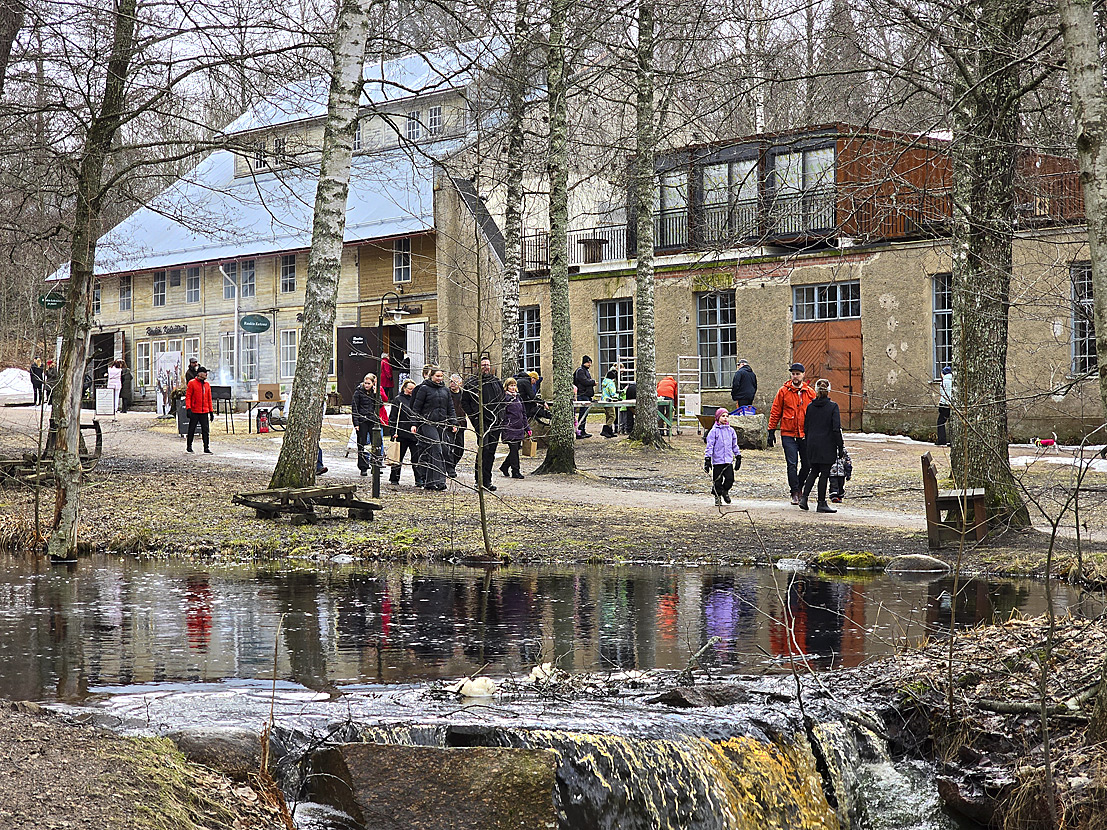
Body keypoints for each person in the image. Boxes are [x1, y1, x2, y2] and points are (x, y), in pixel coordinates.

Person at [767, 362, 817, 505]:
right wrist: (771, 430)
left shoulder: (810, 392)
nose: (795, 376)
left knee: (807, 464)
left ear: (803, 375)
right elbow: (776, 411)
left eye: (798, 374)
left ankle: (800, 486)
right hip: (788, 433)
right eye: (793, 374)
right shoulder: (783, 391)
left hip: (804, 434)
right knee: (792, 463)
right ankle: (794, 492)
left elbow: (816, 412)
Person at [799, 378, 845, 513]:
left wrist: (808, 442)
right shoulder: (833, 407)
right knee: (824, 474)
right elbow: (836, 429)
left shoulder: (810, 406)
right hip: (827, 444)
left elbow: (806, 427)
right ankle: (821, 503)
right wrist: (840, 446)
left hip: (812, 444)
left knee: (813, 471)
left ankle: (804, 498)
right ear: (829, 390)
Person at [462, 356, 505, 491]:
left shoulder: (496, 381)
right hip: (481, 422)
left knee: (491, 452)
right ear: (477, 366)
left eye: (487, 365)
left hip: (496, 422)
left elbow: (503, 400)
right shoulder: (472, 383)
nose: (486, 367)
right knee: (483, 450)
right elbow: (465, 402)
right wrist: (474, 418)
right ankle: (478, 480)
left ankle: (488, 480)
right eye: (483, 365)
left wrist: (501, 416)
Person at [410, 366, 455, 491]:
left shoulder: (445, 390)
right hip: (427, 423)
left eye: (441, 376)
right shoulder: (424, 389)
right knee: (436, 448)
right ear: (431, 376)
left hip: (441, 424)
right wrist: (414, 424)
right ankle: (439, 481)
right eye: (437, 376)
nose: (439, 378)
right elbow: (416, 408)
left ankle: (430, 482)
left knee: (440, 450)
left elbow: (450, 408)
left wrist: (453, 422)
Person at [704, 408, 741, 507]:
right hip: (717, 460)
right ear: (718, 417)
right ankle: (717, 496)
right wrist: (707, 459)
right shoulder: (713, 431)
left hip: (728, 460)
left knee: (730, 479)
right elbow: (710, 446)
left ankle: (725, 491)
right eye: (723, 416)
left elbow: (734, 445)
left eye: (727, 416)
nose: (725, 418)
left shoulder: (731, 431)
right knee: (717, 480)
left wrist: (738, 456)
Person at [388, 379, 423, 486]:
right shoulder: (398, 400)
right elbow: (393, 417)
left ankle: (419, 479)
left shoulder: (417, 400)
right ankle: (394, 478)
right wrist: (393, 431)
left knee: (416, 458)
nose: (411, 391)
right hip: (401, 433)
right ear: (404, 388)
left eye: (413, 389)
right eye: (409, 389)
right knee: (398, 457)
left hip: (414, 434)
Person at [352, 373, 380, 477]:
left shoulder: (374, 392)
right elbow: (355, 408)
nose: (367, 385)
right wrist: (356, 423)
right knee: (362, 443)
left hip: (372, 420)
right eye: (365, 383)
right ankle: (363, 466)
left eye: (369, 383)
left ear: (373, 384)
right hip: (362, 420)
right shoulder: (358, 392)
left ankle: (375, 464)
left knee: (375, 443)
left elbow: (380, 405)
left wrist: (376, 394)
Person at [500, 377, 529, 479]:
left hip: (519, 427)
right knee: (514, 450)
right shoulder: (505, 398)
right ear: (506, 387)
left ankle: (504, 466)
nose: (512, 387)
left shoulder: (518, 398)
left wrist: (527, 428)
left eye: (514, 385)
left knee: (515, 449)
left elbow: (523, 413)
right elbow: (502, 414)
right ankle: (515, 471)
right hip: (509, 428)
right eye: (510, 385)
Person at [185, 366, 214, 453]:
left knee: (205, 430)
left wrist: (211, 411)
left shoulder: (207, 385)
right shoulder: (192, 383)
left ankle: (206, 447)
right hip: (194, 410)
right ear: (200, 374)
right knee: (192, 429)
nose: (206, 374)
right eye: (205, 373)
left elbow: (209, 399)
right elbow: (188, 396)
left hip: (204, 411)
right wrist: (188, 408)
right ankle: (189, 446)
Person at [446, 374, 466, 478]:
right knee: (449, 447)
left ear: (460, 383)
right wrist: (451, 423)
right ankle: (449, 468)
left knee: (460, 448)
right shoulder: (447, 394)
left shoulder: (463, 395)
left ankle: (452, 465)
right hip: (449, 424)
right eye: (451, 382)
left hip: (461, 424)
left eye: (455, 381)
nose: (452, 384)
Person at [573, 356, 596, 438]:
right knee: (582, 413)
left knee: (584, 414)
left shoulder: (584, 371)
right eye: (588, 362)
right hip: (582, 395)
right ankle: (580, 430)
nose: (590, 364)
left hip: (586, 394)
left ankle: (582, 430)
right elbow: (584, 381)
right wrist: (593, 382)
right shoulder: (580, 371)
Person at [936, 366, 953, 446]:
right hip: (953, 405)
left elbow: (943, 395)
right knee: (952, 423)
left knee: (940, 422)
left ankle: (941, 440)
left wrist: (940, 405)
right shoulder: (954, 381)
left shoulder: (943, 382)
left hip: (945, 404)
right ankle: (953, 441)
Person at [600, 368, 619, 438]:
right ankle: (605, 430)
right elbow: (612, 393)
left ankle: (609, 431)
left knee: (608, 415)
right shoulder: (611, 383)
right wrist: (618, 396)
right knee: (612, 416)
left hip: (604, 399)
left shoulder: (604, 382)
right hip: (609, 400)